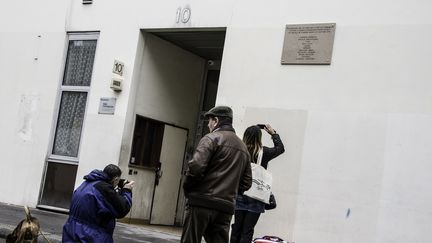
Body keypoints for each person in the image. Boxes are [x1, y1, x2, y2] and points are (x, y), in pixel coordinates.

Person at [181, 106, 252, 243]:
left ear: (216, 120)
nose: (208, 124)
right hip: (225, 207)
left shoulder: (211, 138)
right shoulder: (243, 147)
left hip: (201, 202)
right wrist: (230, 192)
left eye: (209, 121)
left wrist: (189, 190)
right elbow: (247, 182)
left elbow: (195, 168)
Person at [230, 124, 285, 243]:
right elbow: (280, 148)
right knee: (247, 231)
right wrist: (273, 133)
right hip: (257, 196)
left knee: (236, 229)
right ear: (259, 137)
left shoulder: (240, 151)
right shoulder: (263, 152)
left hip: (240, 194)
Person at [62, 164, 134, 243]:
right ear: (116, 179)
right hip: (90, 236)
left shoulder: (86, 183)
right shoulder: (103, 188)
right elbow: (122, 209)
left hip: (72, 231)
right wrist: (127, 190)